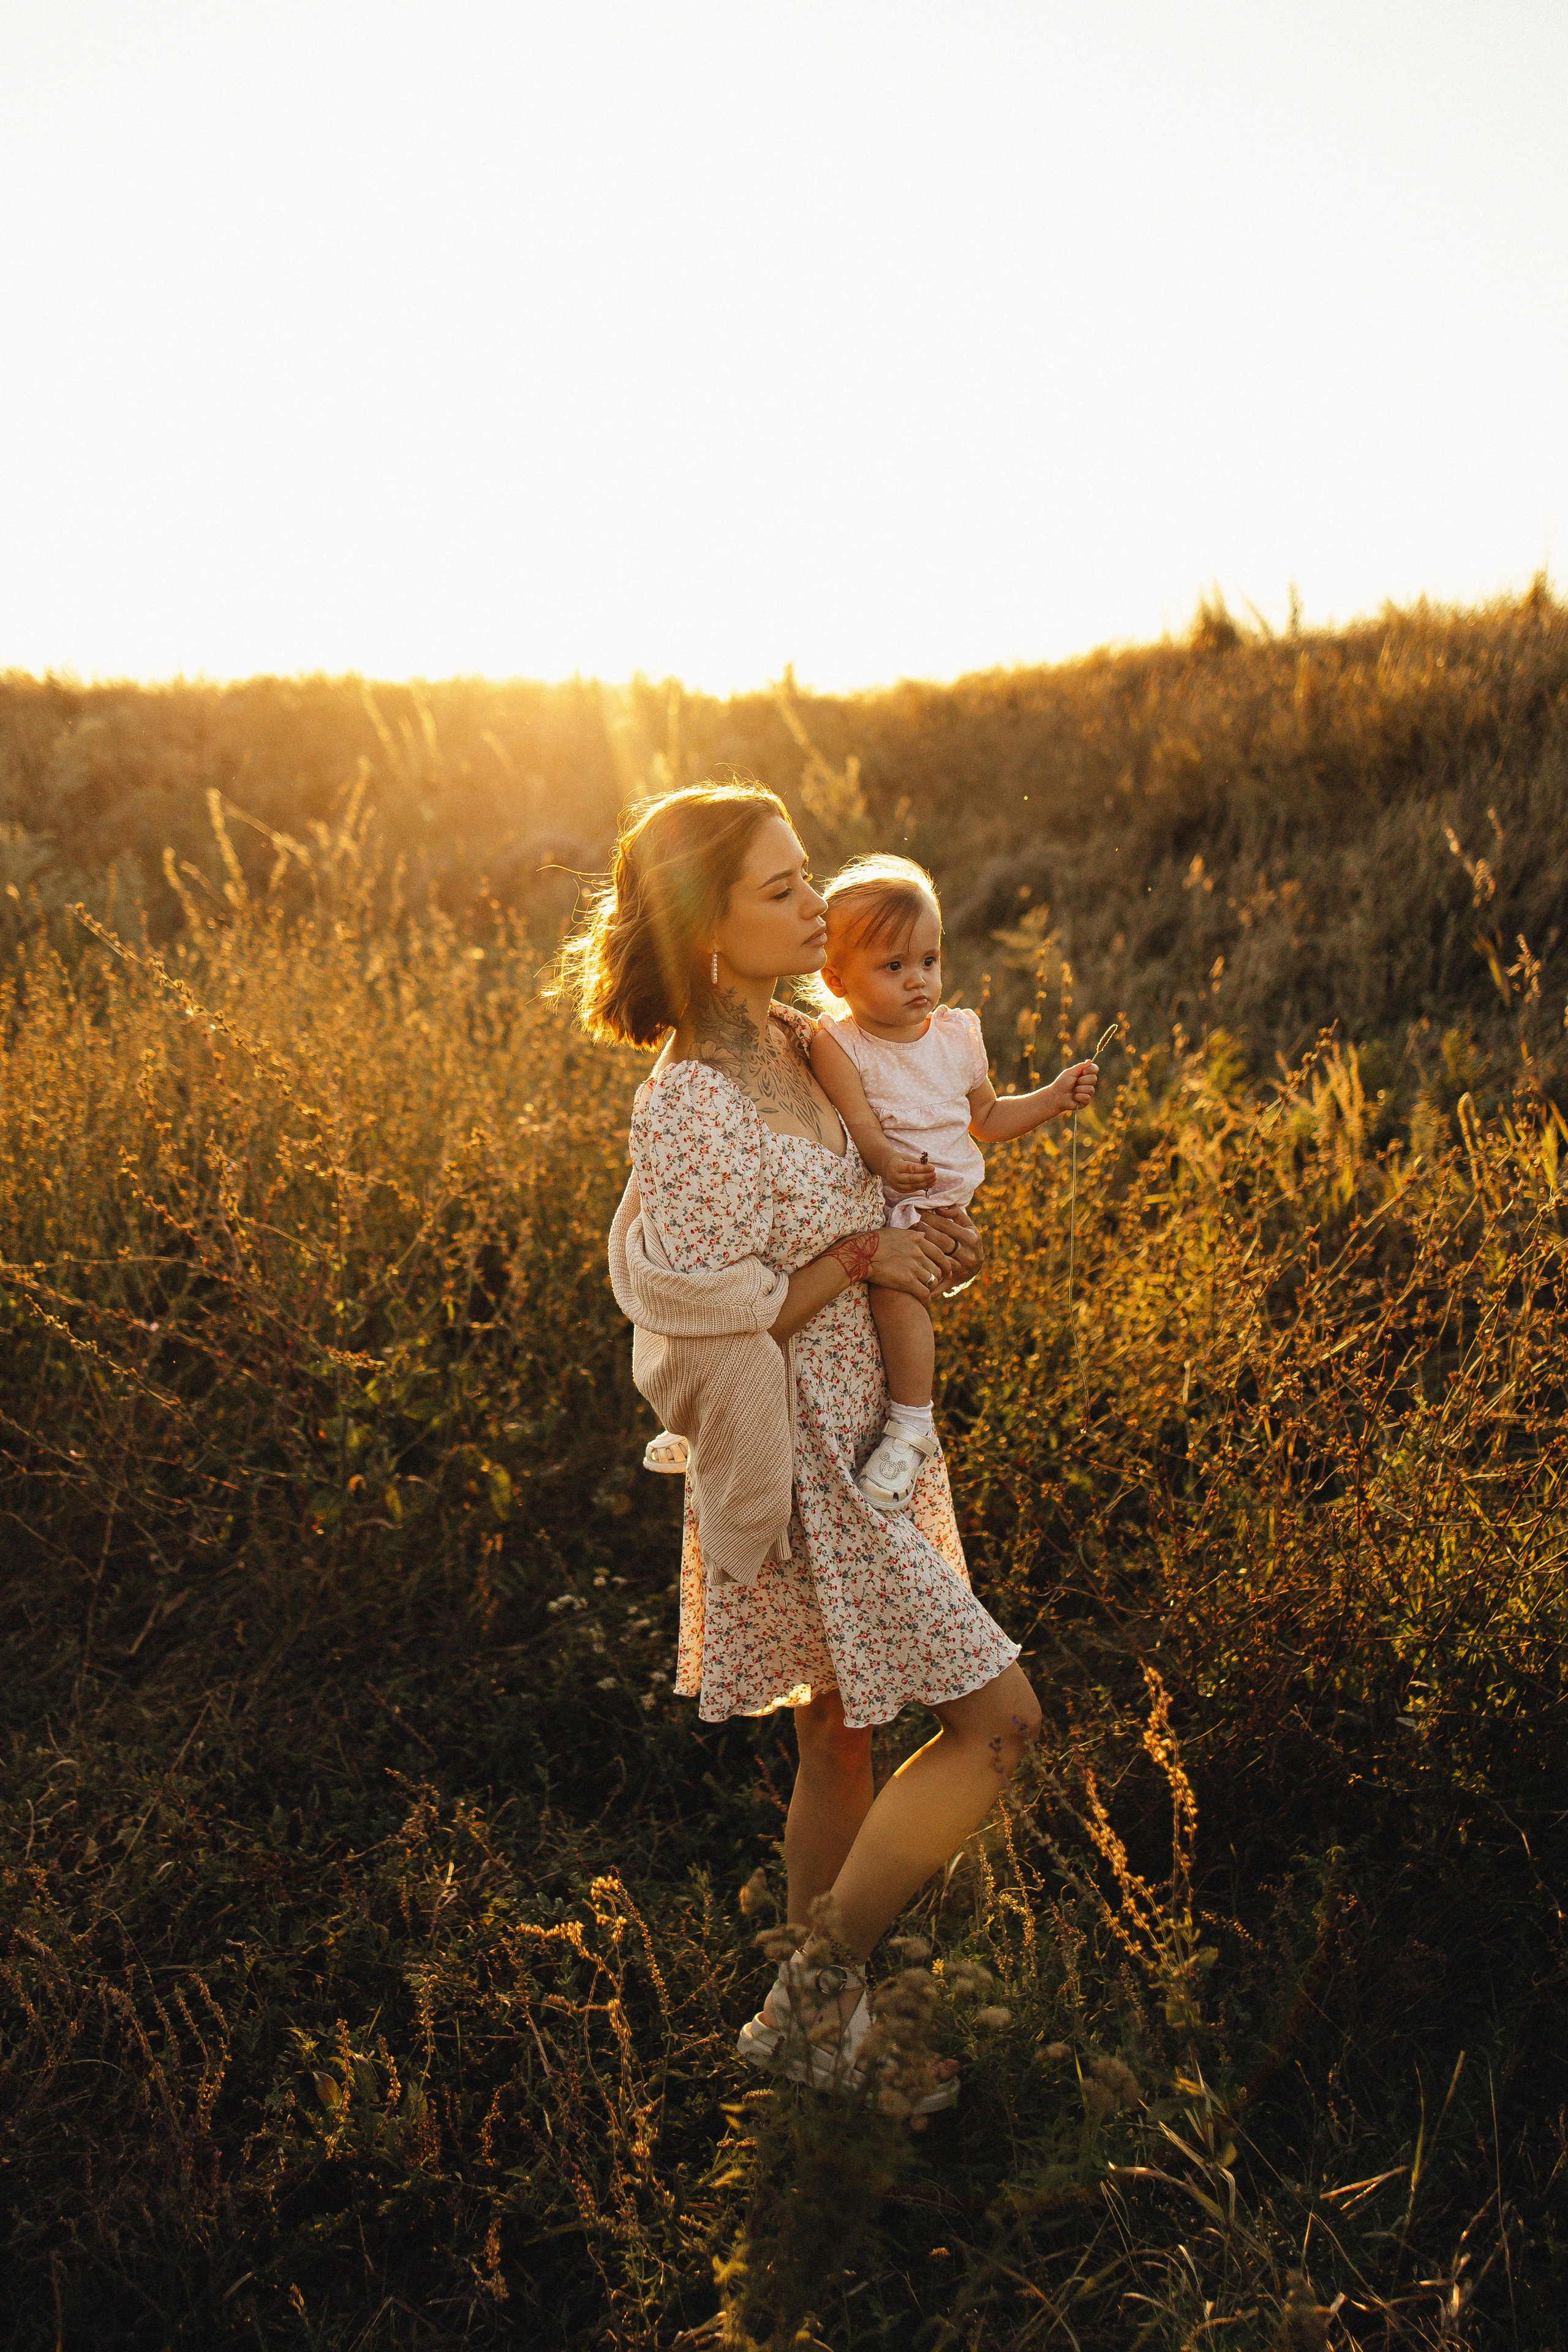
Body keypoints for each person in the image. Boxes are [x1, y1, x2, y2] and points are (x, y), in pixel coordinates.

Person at [565, 782, 1042, 2111]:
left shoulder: (799, 1037)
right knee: (1000, 1726)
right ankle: (812, 1993)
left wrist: (924, 1248)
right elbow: (731, 1322)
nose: (815, 904)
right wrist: (860, 1255)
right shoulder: (687, 1106)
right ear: (699, 921)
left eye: (806, 875)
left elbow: (884, 1194)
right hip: (801, 1457)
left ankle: (818, 2039)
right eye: (780, 890)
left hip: (872, 1434)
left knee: (837, 1735)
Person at [809, 854, 1099, 1510]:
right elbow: (861, 1125)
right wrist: (887, 1163)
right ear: (835, 977)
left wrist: (1052, 1098)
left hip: (937, 1207)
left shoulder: (956, 1037)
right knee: (892, 1300)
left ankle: (911, 1426)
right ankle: (906, 1424)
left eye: (929, 961)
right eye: (893, 966)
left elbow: (988, 1119)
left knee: (899, 1298)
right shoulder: (841, 1043)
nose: (918, 981)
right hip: (883, 1200)